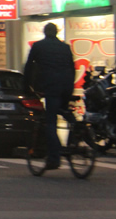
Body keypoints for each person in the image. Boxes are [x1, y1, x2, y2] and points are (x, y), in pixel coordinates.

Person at [23, 23, 77, 170]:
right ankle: (78, 129)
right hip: (66, 85)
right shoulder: (65, 47)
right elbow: (72, 68)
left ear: (45, 32)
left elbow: (28, 67)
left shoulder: (38, 46)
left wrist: (26, 86)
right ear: (57, 32)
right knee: (64, 111)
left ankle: (54, 158)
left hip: (51, 86)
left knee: (50, 121)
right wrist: (70, 87)